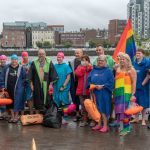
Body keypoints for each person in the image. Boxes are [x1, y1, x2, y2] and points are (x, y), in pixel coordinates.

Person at [88, 55, 114, 133]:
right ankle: (99, 124)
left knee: (104, 109)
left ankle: (105, 126)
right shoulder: (94, 70)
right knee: (97, 108)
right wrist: (93, 86)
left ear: (105, 62)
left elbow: (111, 82)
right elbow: (89, 80)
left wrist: (103, 86)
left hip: (104, 92)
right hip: (95, 92)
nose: (100, 62)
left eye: (102, 60)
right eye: (99, 60)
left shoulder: (108, 70)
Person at [114, 54, 136, 136]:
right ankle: (127, 126)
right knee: (119, 110)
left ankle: (126, 128)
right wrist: (114, 93)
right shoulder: (118, 69)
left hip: (127, 93)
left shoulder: (131, 70)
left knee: (125, 111)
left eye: (124, 59)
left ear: (128, 60)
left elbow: (134, 83)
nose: (122, 61)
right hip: (118, 92)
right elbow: (115, 81)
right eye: (121, 59)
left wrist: (132, 95)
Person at [0, 54, 26, 123]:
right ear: (11, 60)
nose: (14, 61)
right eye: (12, 59)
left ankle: (16, 116)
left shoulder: (21, 68)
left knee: (17, 102)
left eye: (15, 59)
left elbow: (24, 78)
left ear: (17, 60)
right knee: (10, 103)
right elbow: (2, 77)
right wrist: (2, 87)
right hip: (8, 88)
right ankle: (12, 116)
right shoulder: (7, 67)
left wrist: (22, 86)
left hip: (18, 89)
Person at [132, 49, 150, 126]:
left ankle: (143, 120)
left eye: (139, 53)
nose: (137, 54)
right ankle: (136, 118)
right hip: (135, 86)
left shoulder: (147, 62)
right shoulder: (134, 62)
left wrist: (142, 84)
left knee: (143, 103)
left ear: (143, 54)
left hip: (143, 87)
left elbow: (149, 75)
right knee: (135, 102)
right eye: (136, 53)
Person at [53, 52, 72, 124]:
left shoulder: (66, 66)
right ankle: (59, 117)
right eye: (58, 57)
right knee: (57, 102)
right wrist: (51, 84)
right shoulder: (55, 66)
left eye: (60, 57)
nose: (59, 58)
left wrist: (63, 86)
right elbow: (53, 76)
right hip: (56, 87)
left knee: (64, 103)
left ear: (63, 58)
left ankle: (65, 117)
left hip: (64, 87)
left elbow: (68, 77)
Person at [75, 54, 92, 127]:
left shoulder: (91, 68)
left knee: (90, 106)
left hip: (89, 90)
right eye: (82, 61)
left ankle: (91, 119)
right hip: (81, 90)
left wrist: (88, 67)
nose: (84, 62)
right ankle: (85, 120)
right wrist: (84, 68)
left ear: (88, 61)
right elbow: (77, 74)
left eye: (85, 60)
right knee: (83, 106)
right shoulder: (79, 67)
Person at [69, 49, 83, 122]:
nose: (77, 54)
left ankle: (84, 115)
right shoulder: (71, 62)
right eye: (75, 53)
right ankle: (77, 114)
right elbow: (69, 74)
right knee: (75, 99)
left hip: (82, 83)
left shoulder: (84, 62)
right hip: (74, 83)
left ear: (82, 53)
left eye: (78, 53)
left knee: (83, 99)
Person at [0, 55, 7, 119]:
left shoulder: (8, 67)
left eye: (3, 59)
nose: (2, 60)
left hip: (5, 87)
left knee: (4, 100)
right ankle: (2, 113)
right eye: (1, 59)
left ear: (6, 60)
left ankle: (4, 113)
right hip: (0, 86)